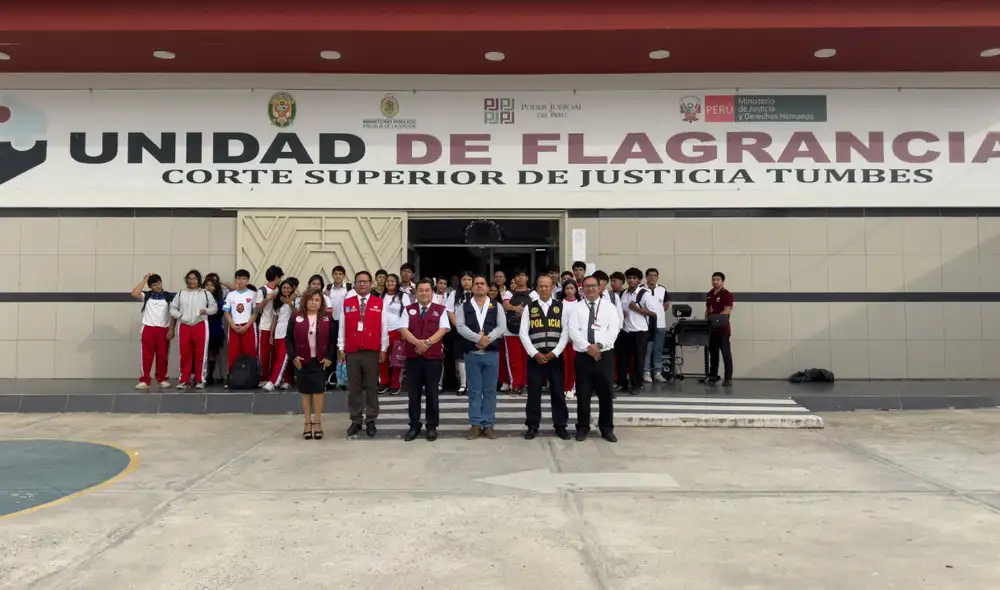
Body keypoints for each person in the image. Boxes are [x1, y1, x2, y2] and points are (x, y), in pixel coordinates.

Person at [567, 275, 621, 442]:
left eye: (593, 286)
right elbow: (573, 331)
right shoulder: (577, 308)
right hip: (583, 356)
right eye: (586, 286)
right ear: (582, 289)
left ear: (600, 287)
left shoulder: (609, 307)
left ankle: (606, 428)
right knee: (583, 394)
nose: (590, 289)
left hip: (604, 355)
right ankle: (583, 427)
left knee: (606, 393)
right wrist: (588, 348)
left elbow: (614, 329)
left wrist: (599, 346)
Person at [455, 275, 508, 440]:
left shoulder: (496, 305)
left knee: (490, 391)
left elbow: (502, 326)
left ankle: (489, 424)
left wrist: (487, 340)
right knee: (474, 391)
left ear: (487, 288)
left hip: (491, 353)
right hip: (472, 354)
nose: (479, 286)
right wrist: (478, 339)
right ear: (472, 288)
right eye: (476, 284)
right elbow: (460, 326)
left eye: (482, 284)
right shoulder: (463, 306)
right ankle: (476, 424)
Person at [519, 275, 571, 440]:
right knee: (533, 393)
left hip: (554, 358)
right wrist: (535, 353)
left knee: (558, 393)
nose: (544, 289)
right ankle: (532, 426)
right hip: (536, 358)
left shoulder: (561, 307)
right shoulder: (530, 307)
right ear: (537, 287)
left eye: (547, 286)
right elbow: (523, 333)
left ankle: (561, 426)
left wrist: (554, 353)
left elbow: (566, 332)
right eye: (541, 286)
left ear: (552, 287)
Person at [398, 278, 450, 442]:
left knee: (432, 393)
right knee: (413, 394)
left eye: (427, 290)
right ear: (416, 292)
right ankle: (414, 425)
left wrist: (427, 343)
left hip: (433, 359)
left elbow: (443, 329)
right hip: (413, 358)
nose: (424, 293)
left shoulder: (440, 309)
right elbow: (403, 329)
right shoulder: (408, 309)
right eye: (421, 290)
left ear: (432, 292)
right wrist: (417, 343)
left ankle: (432, 426)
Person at [339, 270, 386, 438]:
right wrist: (341, 348)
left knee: (372, 387)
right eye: (359, 281)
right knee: (354, 388)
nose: (363, 284)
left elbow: (384, 327)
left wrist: (383, 348)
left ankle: (371, 419)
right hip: (352, 351)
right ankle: (356, 420)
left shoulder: (379, 303)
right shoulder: (347, 303)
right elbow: (342, 327)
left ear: (371, 283)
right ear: (355, 283)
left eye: (366, 281)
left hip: (372, 351)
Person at [286, 288, 337, 440]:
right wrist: (293, 357)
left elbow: (332, 341)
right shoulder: (296, 317)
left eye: (317, 300)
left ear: (321, 303)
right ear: (305, 301)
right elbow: (288, 339)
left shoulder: (327, 318)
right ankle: (307, 422)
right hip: (302, 360)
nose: (314, 303)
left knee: (319, 391)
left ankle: (318, 422)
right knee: (305, 391)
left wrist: (329, 357)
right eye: (311, 300)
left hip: (319, 361)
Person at [170, 269, 217, 389]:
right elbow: (173, 308)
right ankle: (184, 379)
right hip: (184, 325)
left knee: (200, 352)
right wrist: (179, 315)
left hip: (200, 324)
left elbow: (214, 308)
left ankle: (200, 379)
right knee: (184, 353)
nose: (191, 281)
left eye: (194, 278)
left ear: (199, 280)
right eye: (189, 278)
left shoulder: (205, 293)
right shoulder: (181, 293)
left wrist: (205, 311)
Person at [618, 267, 659, 395]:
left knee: (639, 359)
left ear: (639, 280)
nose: (631, 280)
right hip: (626, 330)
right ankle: (622, 383)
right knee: (623, 359)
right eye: (629, 278)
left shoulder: (644, 293)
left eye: (634, 278)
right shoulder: (623, 293)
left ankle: (637, 384)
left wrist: (637, 309)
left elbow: (653, 313)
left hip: (640, 332)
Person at [131, 272, 175, 389]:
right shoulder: (147, 295)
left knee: (162, 355)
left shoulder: (168, 296)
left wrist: (171, 329)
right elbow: (134, 293)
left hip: (163, 330)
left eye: (159, 283)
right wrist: (144, 280)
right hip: (148, 329)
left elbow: (173, 314)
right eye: (155, 285)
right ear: (150, 286)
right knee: (146, 356)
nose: (158, 286)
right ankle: (145, 380)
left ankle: (162, 379)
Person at [700, 271, 735, 387]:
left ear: (722, 281)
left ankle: (728, 377)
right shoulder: (709, 294)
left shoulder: (727, 295)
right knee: (713, 354)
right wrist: (706, 321)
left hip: (723, 330)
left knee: (726, 354)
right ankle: (713, 376)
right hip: (711, 330)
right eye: (713, 279)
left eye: (718, 279)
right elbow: (708, 309)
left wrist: (716, 320)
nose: (715, 282)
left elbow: (727, 311)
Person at [503, 267, 533, 396]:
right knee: (514, 360)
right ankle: (515, 385)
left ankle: (525, 384)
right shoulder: (509, 293)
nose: (520, 278)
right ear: (514, 279)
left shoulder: (533, 294)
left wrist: (524, 312)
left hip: (528, 331)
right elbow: (505, 305)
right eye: (518, 276)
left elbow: (536, 308)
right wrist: (516, 308)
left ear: (527, 278)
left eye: (523, 275)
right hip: (511, 330)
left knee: (526, 358)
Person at [379, 274, 411, 395]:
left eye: (392, 281)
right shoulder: (381, 296)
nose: (390, 283)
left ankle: (395, 383)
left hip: (397, 331)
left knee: (397, 359)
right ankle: (384, 382)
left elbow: (407, 314)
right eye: (388, 281)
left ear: (397, 283)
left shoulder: (403, 296)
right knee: (383, 359)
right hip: (383, 332)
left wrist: (404, 331)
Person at [223, 269, 259, 374]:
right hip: (234, 327)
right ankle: (232, 377)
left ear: (248, 280)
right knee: (233, 353)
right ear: (235, 280)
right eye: (239, 278)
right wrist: (233, 325)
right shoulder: (231, 295)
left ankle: (251, 377)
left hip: (248, 327)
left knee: (250, 352)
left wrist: (247, 326)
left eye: (244, 278)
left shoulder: (253, 294)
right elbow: (226, 312)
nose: (241, 281)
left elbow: (255, 313)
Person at [263, 279, 296, 391]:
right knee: (281, 358)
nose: (286, 290)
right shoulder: (277, 301)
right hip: (278, 333)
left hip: (288, 333)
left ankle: (273, 382)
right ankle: (287, 380)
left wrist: (290, 303)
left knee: (283, 357)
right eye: (284, 288)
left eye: (288, 288)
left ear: (292, 289)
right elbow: (275, 319)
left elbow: (297, 314)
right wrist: (271, 335)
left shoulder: (296, 299)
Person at [255, 265, 284, 388]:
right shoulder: (262, 290)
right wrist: (267, 299)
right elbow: (257, 308)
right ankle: (263, 377)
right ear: (276, 277)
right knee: (264, 354)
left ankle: (274, 377)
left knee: (276, 354)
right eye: (280, 277)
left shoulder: (281, 290)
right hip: (265, 326)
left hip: (278, 327)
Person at [448, 272, 475, 395]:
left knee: (473, 356)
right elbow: (450, 311)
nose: (467, 282)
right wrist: (459, 327)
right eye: (464, 279)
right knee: (461, 357)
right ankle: (463, 384)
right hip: (458, 330)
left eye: (469, 279)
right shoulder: (454, 294)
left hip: (475, 331)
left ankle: (472, 384)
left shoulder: (477, 294)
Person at [642, 268, 670, 384]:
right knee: (648, 349)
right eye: (650, 275)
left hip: (660, 324)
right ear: (646, 277)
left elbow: (666, 304)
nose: (652, 278)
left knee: (658, 349)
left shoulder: (662, 289)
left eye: (655, 276)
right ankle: (646, 372)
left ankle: (658, 372)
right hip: (646, 324)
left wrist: (658, 313)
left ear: (658, 277)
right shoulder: (641, 290)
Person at [558, 279, 581, 400]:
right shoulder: (559, 303)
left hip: (575, 340)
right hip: (562, 339)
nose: (569, 291)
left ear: (576, 290)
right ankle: (563, 387)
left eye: (572, 288)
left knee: (573, 364)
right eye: (567, 288)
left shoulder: (580, 303)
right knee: (563, 364)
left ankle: (571, 387)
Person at [203, 276, 227, 385]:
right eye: (207, 285)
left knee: (213, 352)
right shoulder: (199, 296)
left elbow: (221, 311)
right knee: (201, 352)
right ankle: (199, 375)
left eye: (211, 285)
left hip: (215, 326)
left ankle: (210, 376)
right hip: (201, 325)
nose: (209, 287)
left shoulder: (219, 298)